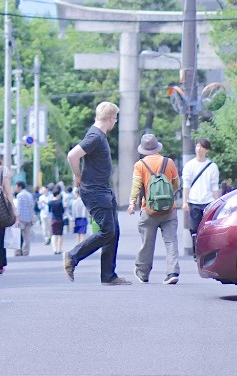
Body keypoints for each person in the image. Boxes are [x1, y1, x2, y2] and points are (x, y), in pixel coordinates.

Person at [64, 101, 124, 284]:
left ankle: (108, 275)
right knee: (107, 231)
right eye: (116, 118)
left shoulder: (98, 135)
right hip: (95, 190)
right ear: (111, 118)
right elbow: (72, 155)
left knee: (114, 231)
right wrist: (77, 175)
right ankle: (72, 256)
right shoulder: (95, 136)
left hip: (103, 189)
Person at [129, 133, 182, 285]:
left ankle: (143, 273)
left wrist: (132, 203)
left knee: (147, 242)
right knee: (171, 241)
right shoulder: (169, 162)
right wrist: (167, 195)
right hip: (169, 210)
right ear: (157, 147)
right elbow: (176, 184)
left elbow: (137, 185)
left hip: (149, 210)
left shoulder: (140, 165)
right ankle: (172, 272)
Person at [181, 139, 220, 251]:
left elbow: (215, 186)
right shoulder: (189, 165)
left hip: (208, 201)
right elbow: (186, 185)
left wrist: (217, 202)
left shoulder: (212, 166)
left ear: (206, 150)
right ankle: (196, 250)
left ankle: (206, 249)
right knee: (194, 228)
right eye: (197, 146)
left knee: (207, 228)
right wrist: (184, 201)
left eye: (202, 147)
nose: (199, 149)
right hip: (193, 201)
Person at [13, 180, 37, 257]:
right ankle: (26, 251)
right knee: (26, 237)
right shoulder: (29, 195)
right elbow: (32, 206)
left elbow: (19, 208)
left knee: (17, 236)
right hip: (29, 218)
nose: (15, 188)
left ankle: (18, 252)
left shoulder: (19, 195)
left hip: (21, 218)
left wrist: (17, 218)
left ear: (19, 186)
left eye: (16, 186)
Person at [46, 184, 67, 255]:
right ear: (58, 195)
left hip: (53, 220)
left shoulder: (50, 202)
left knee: (54, 235)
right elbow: (62, 211)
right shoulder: (60, 202)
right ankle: (59, 249)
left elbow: (49, 211)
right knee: (60, 235)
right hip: (60, 220)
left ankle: (54, 249)